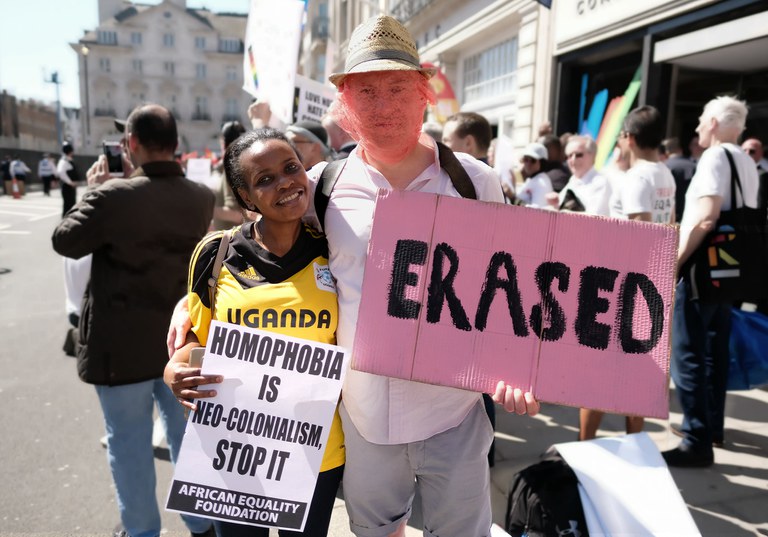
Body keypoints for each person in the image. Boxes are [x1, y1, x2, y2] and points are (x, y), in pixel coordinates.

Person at [170, 15, 539, 537]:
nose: (383, 106)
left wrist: (519, 365)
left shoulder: (475, 182)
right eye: (367, 92)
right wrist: (188, 304)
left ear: (423, 94)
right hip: (362, 418)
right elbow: (252, 246)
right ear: (345, 102)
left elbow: (508, 286)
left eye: (397, 89)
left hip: (453, 413)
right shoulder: (321, 186)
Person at [164, 128, 345, 537]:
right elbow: (197, 340)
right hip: (234, 447)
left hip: (313, 449)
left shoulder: (335, 250)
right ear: (246, 198)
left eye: (291, 168)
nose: (284, 183)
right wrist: (174, 370)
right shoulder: (215, 253)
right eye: (265, 179)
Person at [51, 104, 216, 537]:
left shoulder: (112, 197)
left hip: (119, 348)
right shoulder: (201, 197)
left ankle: (142, 531)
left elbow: (65, 240)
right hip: (180, 344)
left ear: (131, 144)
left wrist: (97, 190)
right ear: (176, 144)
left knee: (128, 446)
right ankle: (200, 524)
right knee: (188, 439)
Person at [664, 96, 760, 468]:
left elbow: (706, 217)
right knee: (715, 350)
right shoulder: (746, 160)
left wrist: (674, 263)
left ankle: (696, 439)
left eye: (702, 120)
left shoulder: (715, 157)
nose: (698, 126)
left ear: (716, 123)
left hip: (702, 267)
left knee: (688, 352)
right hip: (730, 268)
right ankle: (711, 427)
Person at [581, 105, 675, 442]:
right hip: (652, 286)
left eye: (621, 135)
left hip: (627, 286)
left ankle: (585, 445)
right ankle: (635, 442)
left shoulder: (636, 177)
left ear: (630, 138)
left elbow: (642, 233)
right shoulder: (665, 174)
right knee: (637, 372)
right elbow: (669, 228)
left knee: (598, 374)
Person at [550, 135, 611, 215]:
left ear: (592, 155)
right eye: (569, 156)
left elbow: (596, 216)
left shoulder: (600, 182)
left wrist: (567, 214)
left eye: (578, 155)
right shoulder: (573, 180)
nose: (573, 160)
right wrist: (554, 204)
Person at [211, 120, 249, 231]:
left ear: (223, 142)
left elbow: (236, 215)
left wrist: (206, 208)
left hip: (231, 238)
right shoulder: (234, 166)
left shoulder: (232, 167)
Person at [662, 137, 696, 222]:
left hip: (672, 215)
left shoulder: (665, 167)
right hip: (691, 214)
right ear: (680, 149)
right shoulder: (695, 165)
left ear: (666, 152)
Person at [513, 142, 553, 207]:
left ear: (542, 162)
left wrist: (513, 198)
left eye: (533, 160)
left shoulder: (542, 182)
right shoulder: (534, 179)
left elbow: (536, 210)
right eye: (526, 159)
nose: (528, 164)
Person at [57, 142, 80, 216]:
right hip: (67, 187)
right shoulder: (64, 160)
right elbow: (60, 172)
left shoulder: (68, 159)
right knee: (68, 206)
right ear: (70, 151)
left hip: (70, 187)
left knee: (71, 205)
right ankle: (65, 221)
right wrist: (70, 182)